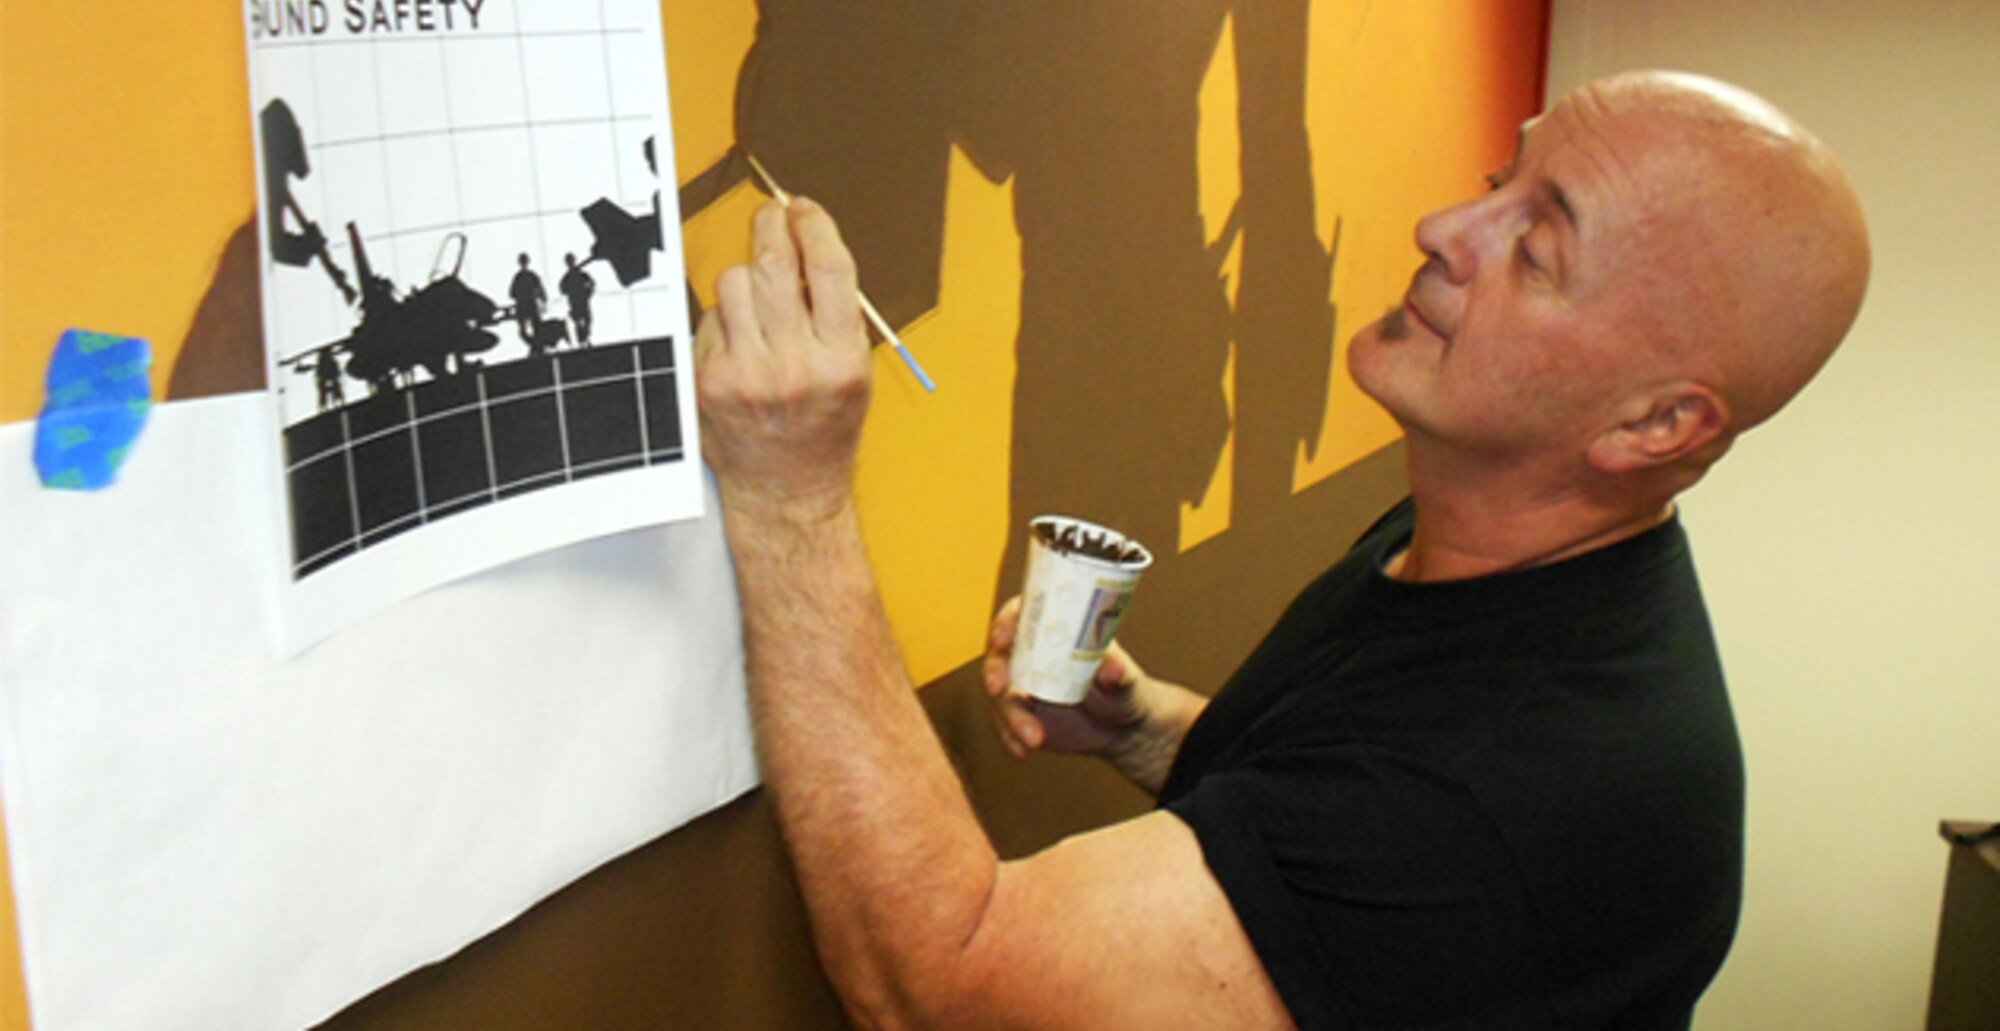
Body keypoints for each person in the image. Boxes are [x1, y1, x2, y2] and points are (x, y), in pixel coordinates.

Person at [693, 70, 1870, 1029]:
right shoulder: (1488, 527)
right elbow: (1337, 797)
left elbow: (936, 980)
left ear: (1653, 425)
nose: (1444, 229)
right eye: (1498, 180)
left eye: (1535, 250)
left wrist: (791, 499)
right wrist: (1151, 729)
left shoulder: (1498, 796)